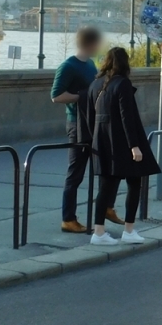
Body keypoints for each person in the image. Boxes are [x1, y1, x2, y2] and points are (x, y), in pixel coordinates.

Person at [87, 47, 160, 245]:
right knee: (134, 182)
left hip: (101, 141)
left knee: (105, 187)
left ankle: (99, 232)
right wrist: (134, 146)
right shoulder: (123, 84)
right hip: (121, 142)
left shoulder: (95, 84)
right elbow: (127, 117)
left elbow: (89, 118)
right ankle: (129, 230)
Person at [51, 25, 105, 233]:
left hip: (92, 122)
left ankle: (102, 213)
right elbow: (56, 96)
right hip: (76, 124)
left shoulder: (90, 64)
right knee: (75, 173)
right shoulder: (68, 67)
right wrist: (83, 97)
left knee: (102, 168)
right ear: (90, 44)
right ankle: (68, 219)